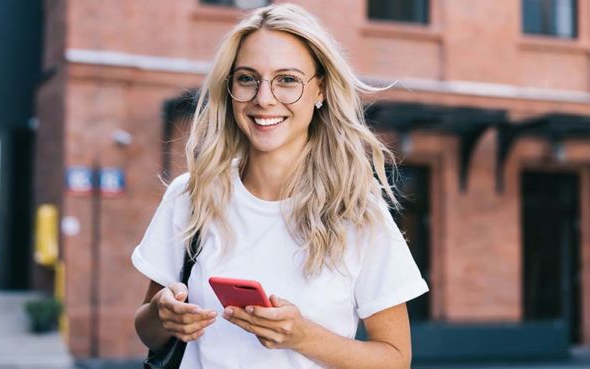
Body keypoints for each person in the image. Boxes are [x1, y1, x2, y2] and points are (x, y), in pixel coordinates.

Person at [132, 3, 428, 369]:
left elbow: (396, 359)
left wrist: (304, 337)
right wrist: (163, 315)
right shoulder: (190, 195)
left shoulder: (359, 212)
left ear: (319, 89)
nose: (264, 98)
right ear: (230, 89)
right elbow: (147, 330)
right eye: (247, 78)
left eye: (287, 79)